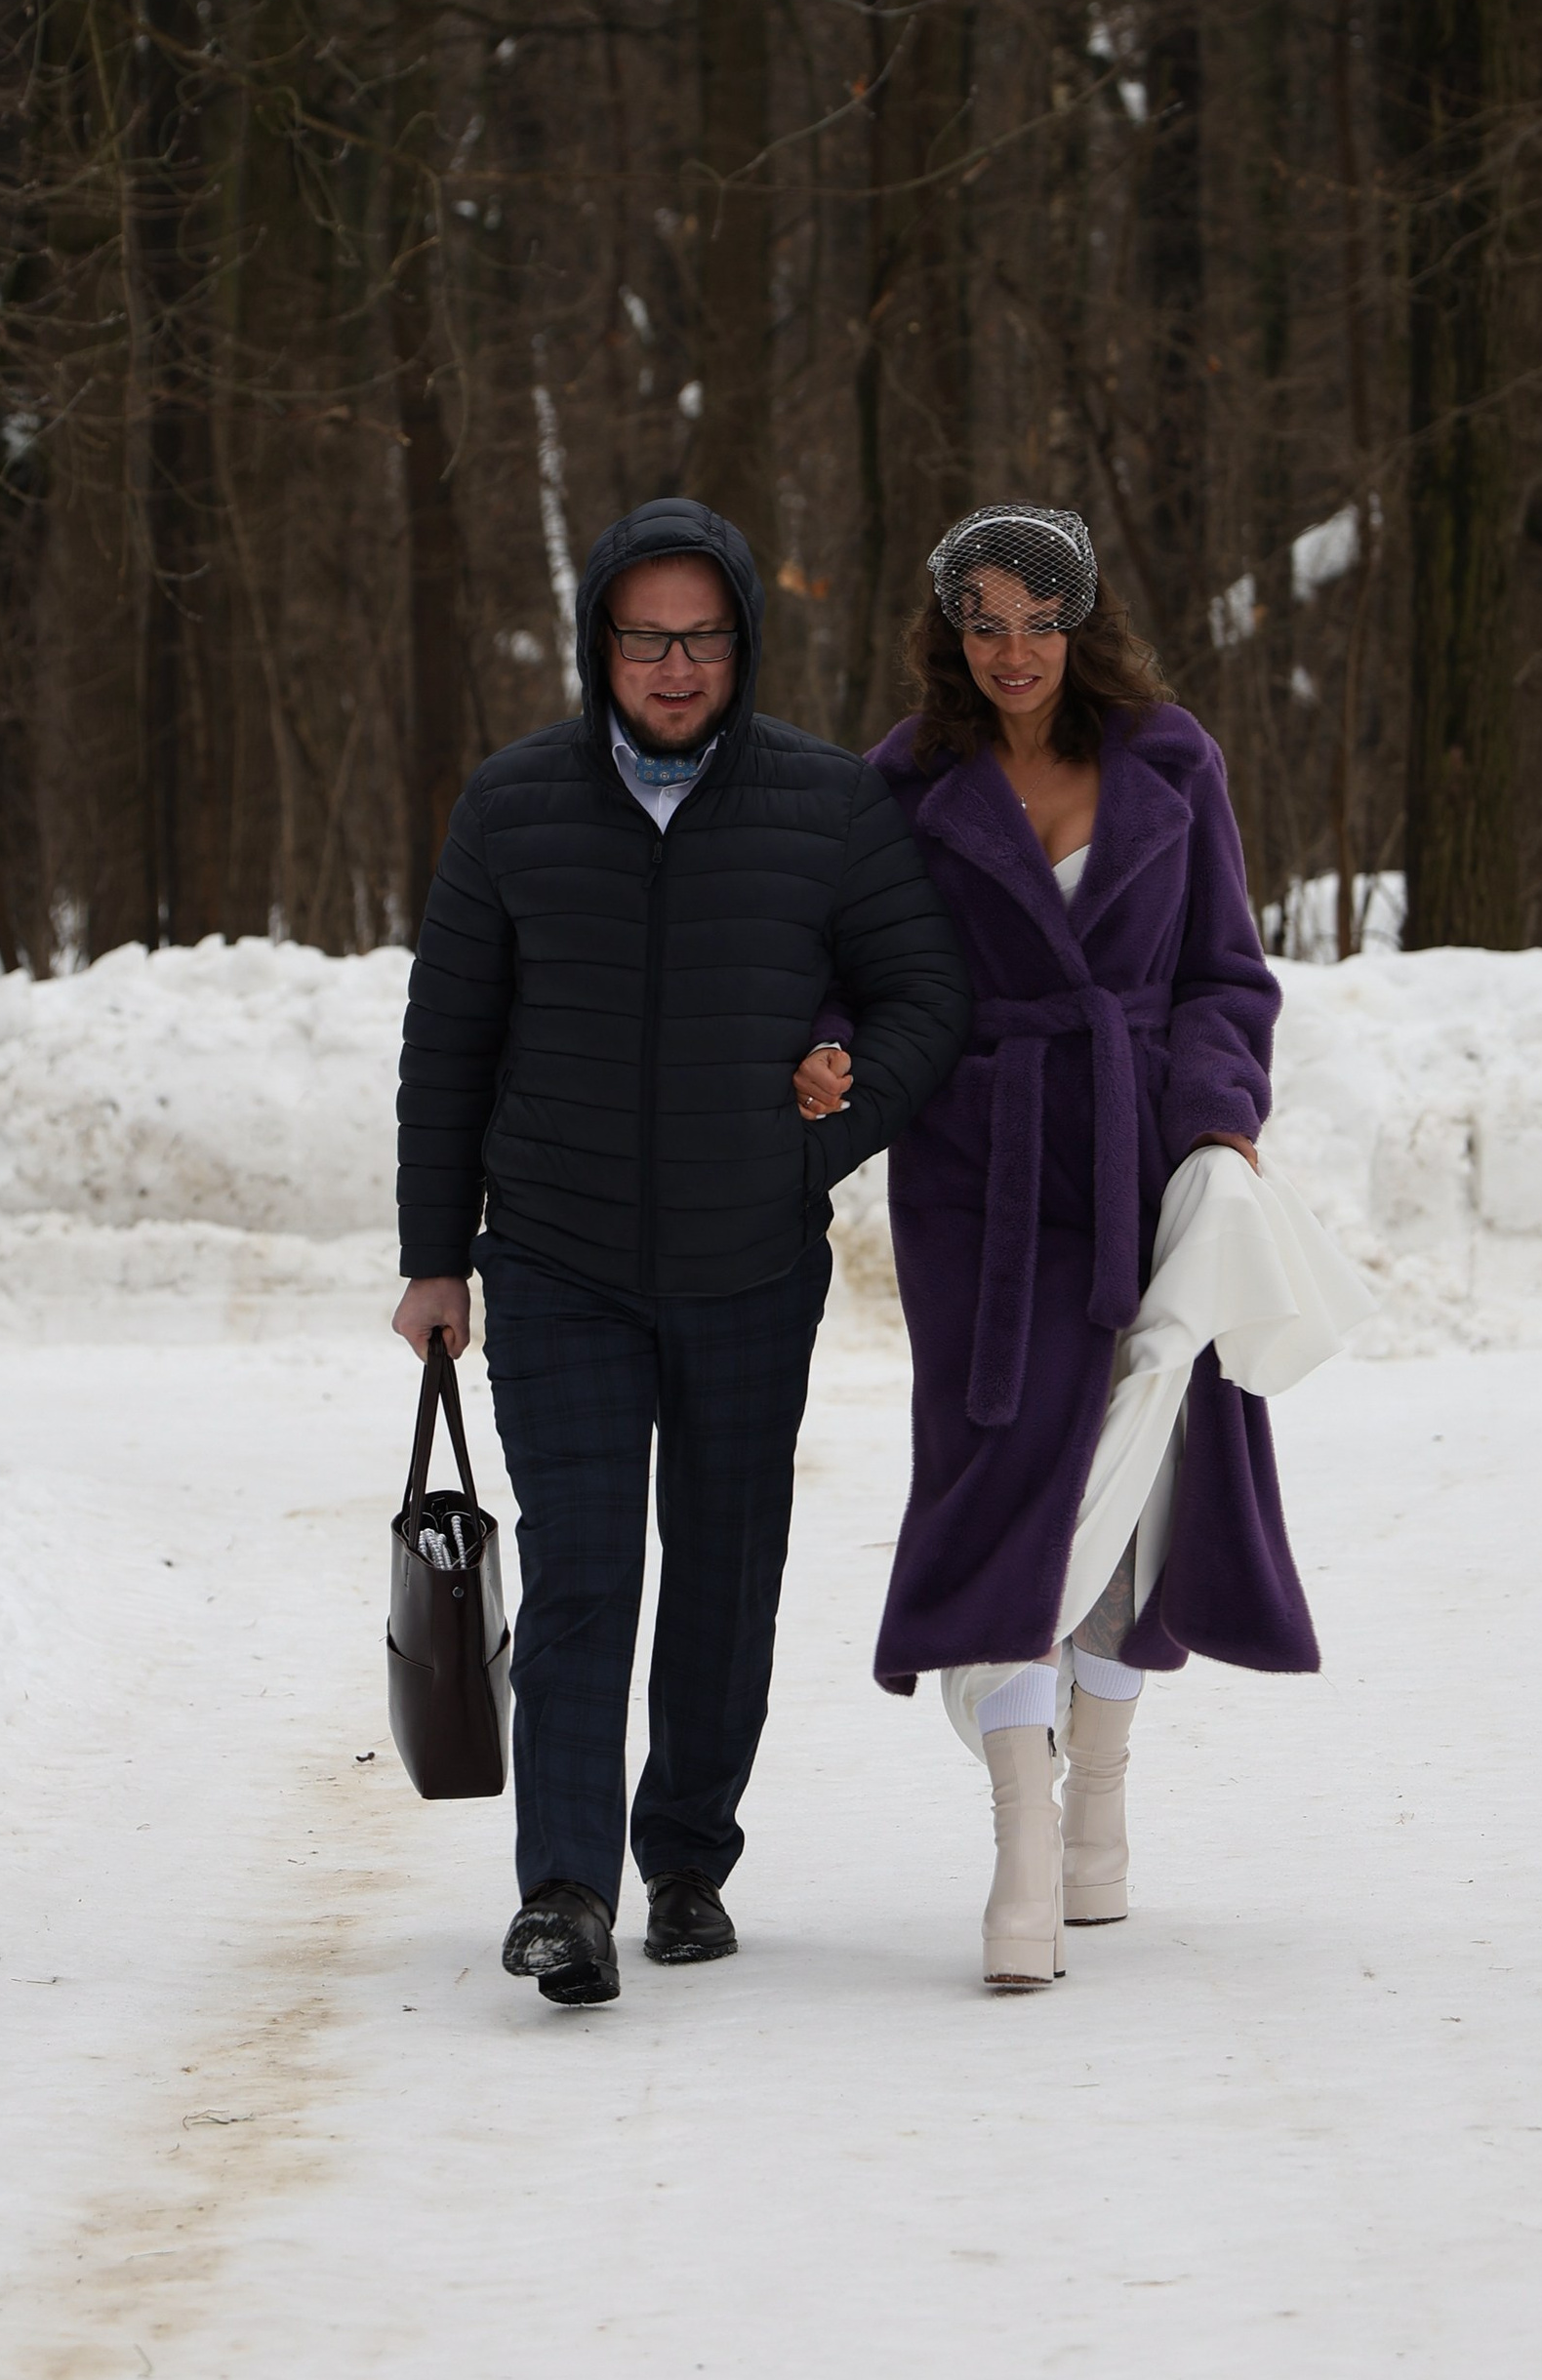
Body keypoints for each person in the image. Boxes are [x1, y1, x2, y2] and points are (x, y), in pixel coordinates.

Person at [393, 497, 970, 2009]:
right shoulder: (514, 804)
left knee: (724, 1571)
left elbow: (925, 999)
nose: (670, 662)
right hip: (562, 1260)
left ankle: (689, 1856)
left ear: (741, 642)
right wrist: (434, 1253)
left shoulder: (828, 806)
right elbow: (447, 1042)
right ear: (600, 640)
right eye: (642, 634)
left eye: (699, 633)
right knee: (584, 1569)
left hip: (750, 1261)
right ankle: (566, 1889)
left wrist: (820, 1139)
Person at [863, 503, 1320, 1989]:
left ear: (1083, 621)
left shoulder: (1173, 760)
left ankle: (1101, 1805)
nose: (1013, 648)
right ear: (948, 627)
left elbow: (1222, 976)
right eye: (983, 618)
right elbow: (847, 973)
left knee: (1147, 1472)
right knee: (1001, 1474)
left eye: (1039, 618)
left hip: (1145, 1152)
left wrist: (1217, 1126)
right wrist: (827, 1060)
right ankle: (1018, 1841)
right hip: (975, 1178)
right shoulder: (905, 781)